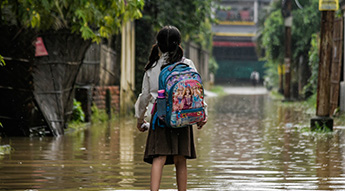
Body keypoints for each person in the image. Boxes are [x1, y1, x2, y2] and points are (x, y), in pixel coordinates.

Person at [134, 25, 208, 191]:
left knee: (158, 157)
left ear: (158, 46)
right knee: (180, 159)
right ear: (179, 44)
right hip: (182, 117)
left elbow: (144, 97)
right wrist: (202, 115)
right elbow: (197, 92)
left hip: (159, 119)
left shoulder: (152, 68)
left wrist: (140, 120)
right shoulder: (187, 64)